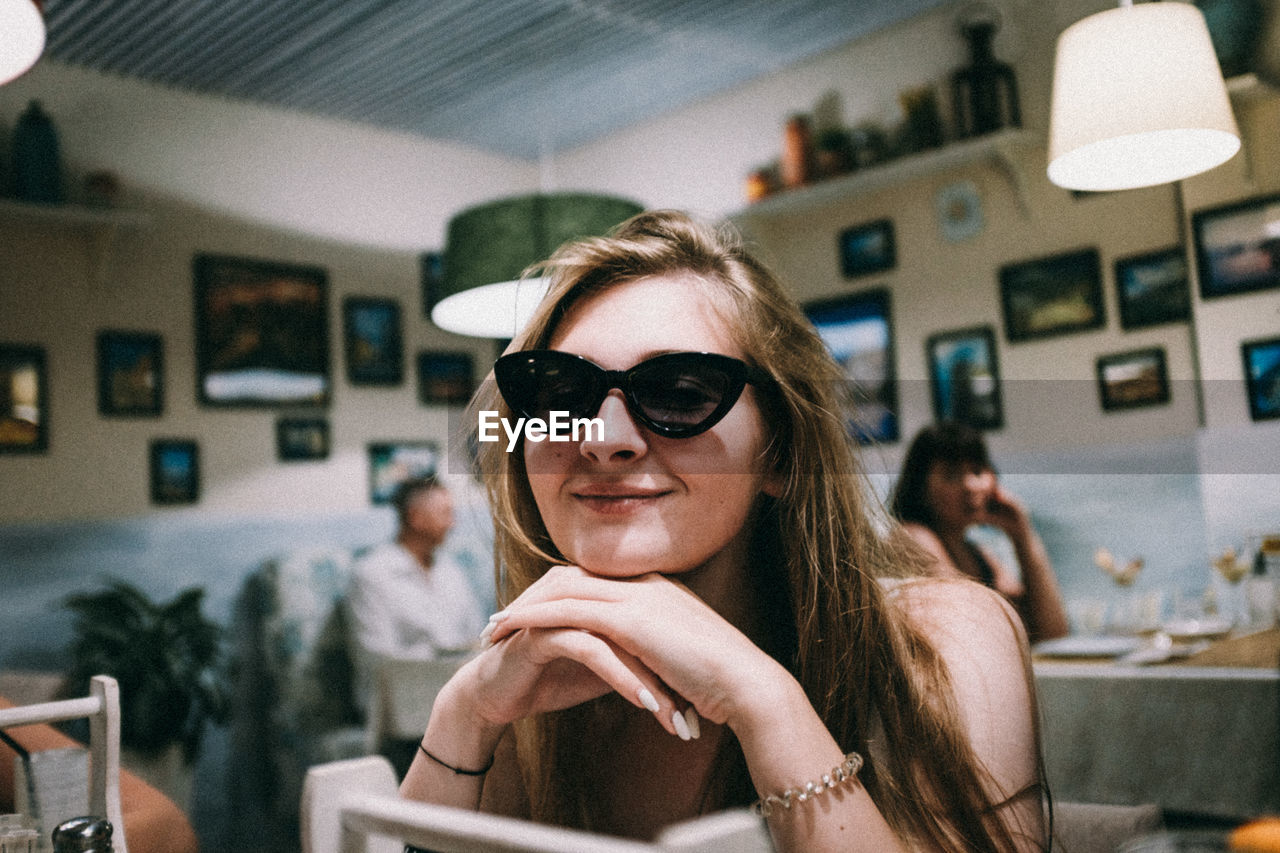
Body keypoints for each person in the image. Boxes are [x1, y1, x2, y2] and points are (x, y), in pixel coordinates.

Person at [400, 211, 1049, 852]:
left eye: (679, 391)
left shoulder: (940, 643)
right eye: (561, 393)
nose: (602, 439)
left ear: (779, 451)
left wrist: (763, 702)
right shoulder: (536, 695)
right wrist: (465, 713)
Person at [891, 422, 1070, 644]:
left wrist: (1022, 534)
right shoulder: (912, 537)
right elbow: (969, 624)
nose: (970, 486)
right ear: (921, 488)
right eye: (951, 475)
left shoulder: (978, 553)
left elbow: (1051, 631)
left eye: (977, 471)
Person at [346, 475, 488, 726]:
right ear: (416, 517)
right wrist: (445, 662)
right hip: (402, 705)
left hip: (459, 691)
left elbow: (476, 635)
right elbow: (379, 661)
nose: (453, 524)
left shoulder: (450, 570)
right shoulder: (373, 574)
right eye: (446, 513)